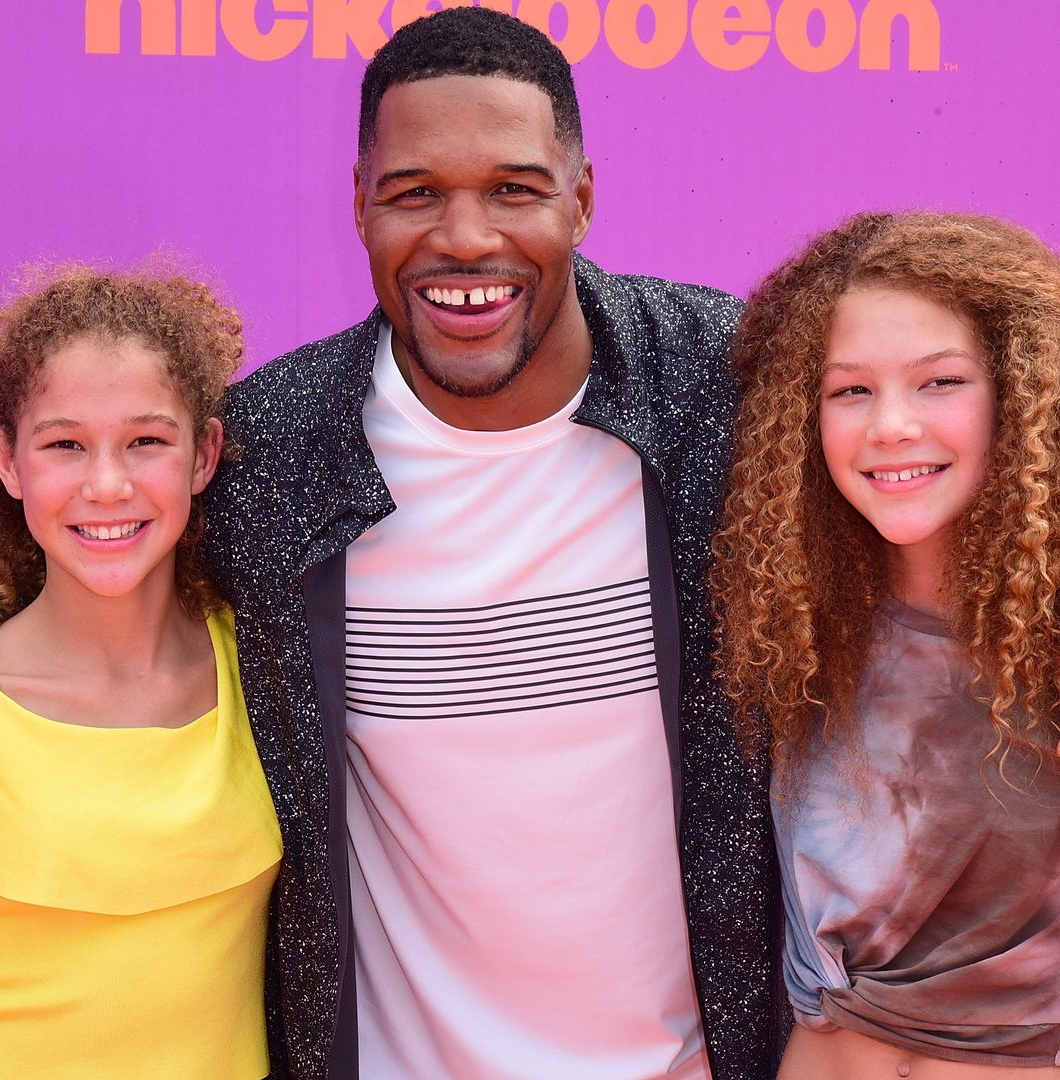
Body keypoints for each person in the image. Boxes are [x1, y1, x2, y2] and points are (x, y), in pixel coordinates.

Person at [204, 7, 784, 1079]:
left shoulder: (730, 385)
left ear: (583, 199)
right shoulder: (267, 451)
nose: (465, 238)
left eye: (514, 189)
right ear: (361, 209)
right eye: (415, 193)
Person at [712, 210, 1060, 1078]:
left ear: (1019, 392)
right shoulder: (791, 628)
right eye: (850, 390)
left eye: (939, 382)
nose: (892, 425)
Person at [0, 266, 283, 1079]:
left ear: (203, 454)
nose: (107, 484)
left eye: (146, 441)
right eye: (64, 444)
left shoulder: (266, 672)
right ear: (9, 461)